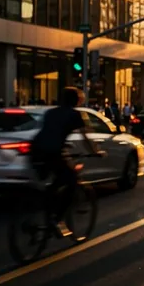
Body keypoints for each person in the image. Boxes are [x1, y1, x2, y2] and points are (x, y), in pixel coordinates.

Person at [30, 87, 93, 237]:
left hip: (36, 150)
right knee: (71, 180)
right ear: (77, 101)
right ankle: (57, 220)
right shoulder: (76, 114)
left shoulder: (50, 112)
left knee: (52, 182)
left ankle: (46, 206)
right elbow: (86, 138)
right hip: (53, 152)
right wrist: (96, 151)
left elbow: (51, 132)